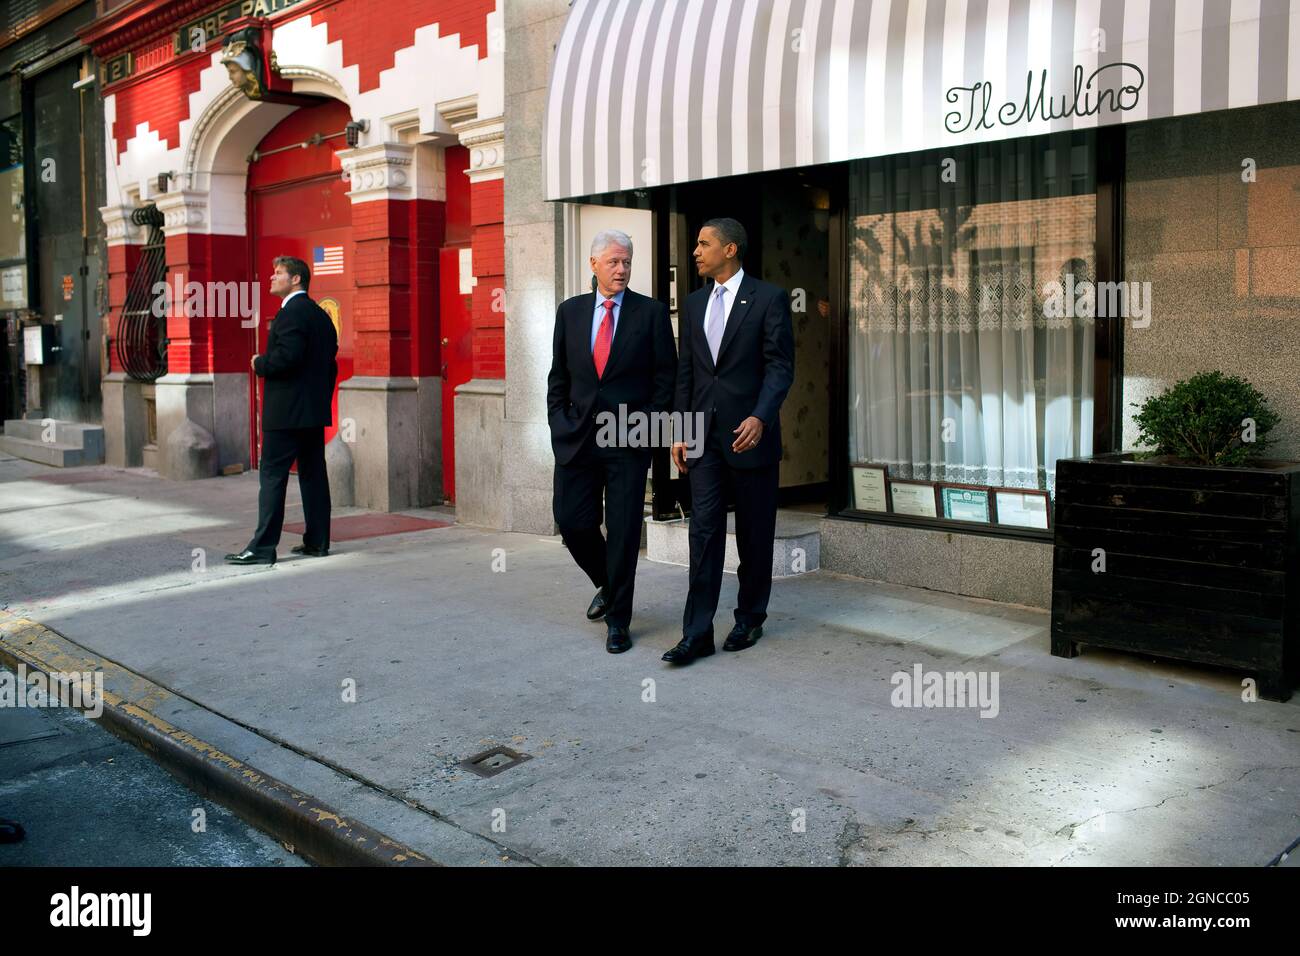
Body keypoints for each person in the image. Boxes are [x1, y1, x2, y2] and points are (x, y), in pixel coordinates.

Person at [665, 218, 794, 666]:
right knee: (703, 534)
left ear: (731, 250)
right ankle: (697, 632)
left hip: (750, 438)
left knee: (755, 536)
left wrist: (761, 415)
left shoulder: (769, 299)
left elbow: (780, 367)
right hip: (703, 439)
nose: (696, 251)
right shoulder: (695, 301)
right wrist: (680, 430)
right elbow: (688, 373)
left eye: (704, 244)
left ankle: (750, 617)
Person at [547, 230, 677, 653]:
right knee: (572, 522)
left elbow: (665, 379)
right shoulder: (570, 312)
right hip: (577, 437)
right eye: (613, 262)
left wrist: (649, 429)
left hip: (628, 438)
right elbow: (559, 377)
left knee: (622, 531)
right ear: (593, 264)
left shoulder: (651, 313)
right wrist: (559, 422)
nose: (621, 269)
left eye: (626, 262)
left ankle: (619, 620)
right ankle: (608, 583)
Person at [226, 255, 338, 565]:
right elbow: (331, 364)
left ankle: (262, 548)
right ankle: (318, 542)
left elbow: (287, 359)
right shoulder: (321, 316)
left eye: (278, 273)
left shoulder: (290, 314)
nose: (272, 278)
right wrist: (319, 401)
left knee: (273, 476)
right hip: (312, 414)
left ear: (296, 279)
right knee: (313, 475)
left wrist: (260, 363)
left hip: (286, 414)